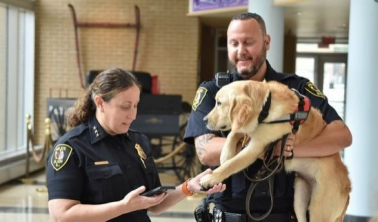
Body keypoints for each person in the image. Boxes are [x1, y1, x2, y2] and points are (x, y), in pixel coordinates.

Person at [184, 12, 352, 221]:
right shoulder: (213, 91)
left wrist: (289, 149)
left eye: (248, 42)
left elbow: (341, 136)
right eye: (233, 43)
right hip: (229, 214)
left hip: (284, 215)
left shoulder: (296, 89)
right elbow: (206, 151)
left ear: (266, 42)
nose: (240, 51)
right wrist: (263, 144)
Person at [46, 68, 226, 222]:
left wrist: (188, 186)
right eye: (125, 107)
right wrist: (123, 207)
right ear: (100, 102)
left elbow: (154, 203)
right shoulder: (72, 148)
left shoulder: (139, 142)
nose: (132, 115)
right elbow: (62, 215)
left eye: (136, 106)